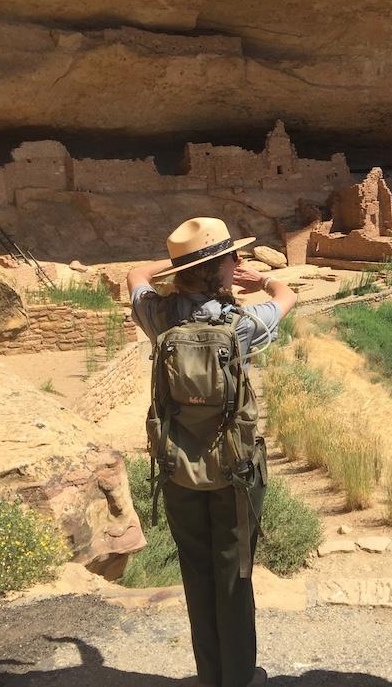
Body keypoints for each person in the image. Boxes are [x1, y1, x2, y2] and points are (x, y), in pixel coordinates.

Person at [127, 217, 296, 687]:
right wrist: (261, 278)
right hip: (234, 469)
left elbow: (136, 275)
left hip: (177, 467)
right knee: (234, 574)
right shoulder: (242, 323)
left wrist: (180, 264)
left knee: (196, 573)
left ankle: (210, 675)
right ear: (221, 267)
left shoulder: (160, 317)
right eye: (232, 258)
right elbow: (287, 297)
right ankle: (238, 677)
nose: (238, 262)